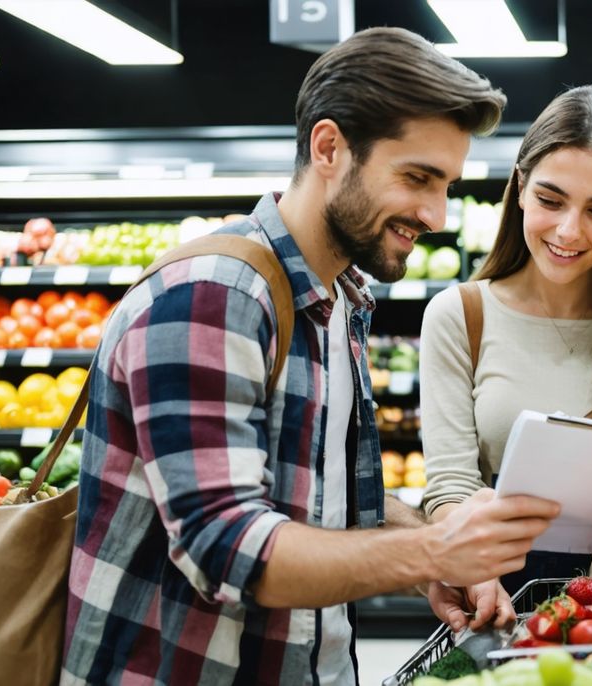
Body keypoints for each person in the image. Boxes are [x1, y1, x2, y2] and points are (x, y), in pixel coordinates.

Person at [63, 28, 561, 685]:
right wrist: (429, 547)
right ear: (329, 147)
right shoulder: (212, 296)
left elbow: (322, 502)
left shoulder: (339, 301)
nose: (437, 213)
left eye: (447, 185)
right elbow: (226, 544)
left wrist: (438, 555)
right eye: (417, 178)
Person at [419, 85, 592, 592]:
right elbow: (451, 487)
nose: (569, 232)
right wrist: (473, 574)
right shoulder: (460, 315)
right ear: (521, 187)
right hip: (490, 589)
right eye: (551, 200)